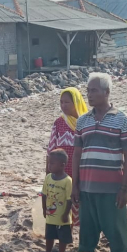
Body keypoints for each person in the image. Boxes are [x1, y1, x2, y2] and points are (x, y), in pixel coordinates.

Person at [71, 72, 127, 252]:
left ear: (106, 92)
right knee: (87, 230)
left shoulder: (123, 120)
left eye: (94, 90)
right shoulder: (82, 121)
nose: (89, 94)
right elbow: (77, 155)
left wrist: (124, 189)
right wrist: (75, 185)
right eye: (88, 90)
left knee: (117, 231)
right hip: (87, 187)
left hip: (112, 189)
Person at [47, 87, 87, 227]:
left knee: (83, 207)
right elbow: (51, 150)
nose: (63, 106)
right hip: (63, 174)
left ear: (76, 102)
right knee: (64, 207)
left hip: (83, 173)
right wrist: (48, 174)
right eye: (61, 102)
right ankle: (66, 238)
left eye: (67, 102)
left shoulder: (86, 122)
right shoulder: (59, 123)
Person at [41, 149, 73, 252]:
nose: (49, 166)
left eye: (52, 163)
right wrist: (44, 208)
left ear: (62, 165)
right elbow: (44, 194)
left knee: (62, 238)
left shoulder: (68, 181)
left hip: (62, 217)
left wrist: (65, 214)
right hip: (50, 215)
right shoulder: (48, 178)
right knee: (49, 236)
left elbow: (70, 199)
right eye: (48, 163)